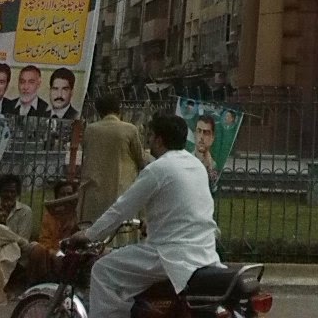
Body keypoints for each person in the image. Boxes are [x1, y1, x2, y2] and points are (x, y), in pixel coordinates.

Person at [67, 112, 220, 318]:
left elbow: (121, 209)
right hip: (205, 251)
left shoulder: (158, 169)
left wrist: (89, 234)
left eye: (150, 136)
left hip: (169, 254)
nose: (148, 141)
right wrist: (151, 222)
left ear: (158, 139)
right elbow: (181, 206)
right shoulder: (196, 165)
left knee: (103, 270)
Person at [79, 93, 147, 224]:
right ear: (118, 109)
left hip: (94, 192)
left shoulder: (90, 130)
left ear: (99, 111)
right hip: (121, 190)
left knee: (95, 232)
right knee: (121, 232)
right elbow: (141, 160)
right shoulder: (130, 130)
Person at [24, 180, 79, 285]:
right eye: (62, 194)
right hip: (52, 255)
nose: (66, 197)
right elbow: (44, 241)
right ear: (57, 197)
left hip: (74, 254)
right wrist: (55, 254)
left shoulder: (78, 215)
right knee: (37, 250)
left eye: (69, 194)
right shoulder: (49, 216)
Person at [0, 173, 34, 238]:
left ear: (17, 193)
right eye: (6, 191)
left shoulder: (25, 212)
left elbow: (22, 239)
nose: (9, 195)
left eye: (12, 192)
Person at [193, 113, 219, 192]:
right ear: (194, 134)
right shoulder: (186, 159)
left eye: (206, 133)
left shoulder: (213, 164)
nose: (201, 137)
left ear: (212, 138)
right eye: (199, 131)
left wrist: (209, 167)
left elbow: (213, 189)